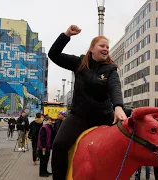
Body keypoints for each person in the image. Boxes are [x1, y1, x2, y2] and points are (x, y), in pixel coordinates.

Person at [48, 25, 127, 180]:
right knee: (58, 146)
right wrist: (66, 35)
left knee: (120, 149)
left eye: (107, 47)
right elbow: (53, 54)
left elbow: (115, 88)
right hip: (79, 116)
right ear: (92, 48)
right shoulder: (79, 63)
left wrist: (118, 107)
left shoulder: (111, 69)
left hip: (103, 117)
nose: (105, 49)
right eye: (102, 46)